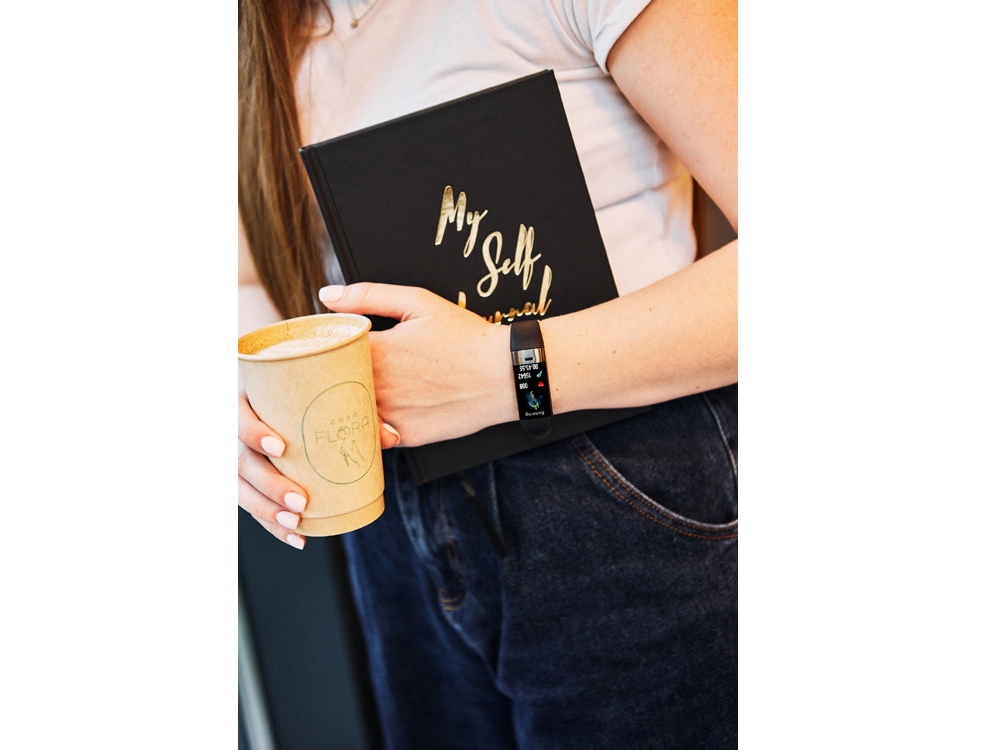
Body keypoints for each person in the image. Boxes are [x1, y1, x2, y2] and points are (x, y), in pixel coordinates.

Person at [238, 0, 737, 747]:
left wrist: (510, 372)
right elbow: (243, 276)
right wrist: (248, 398)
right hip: (389, 511)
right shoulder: (258, 36)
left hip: (622, 493)